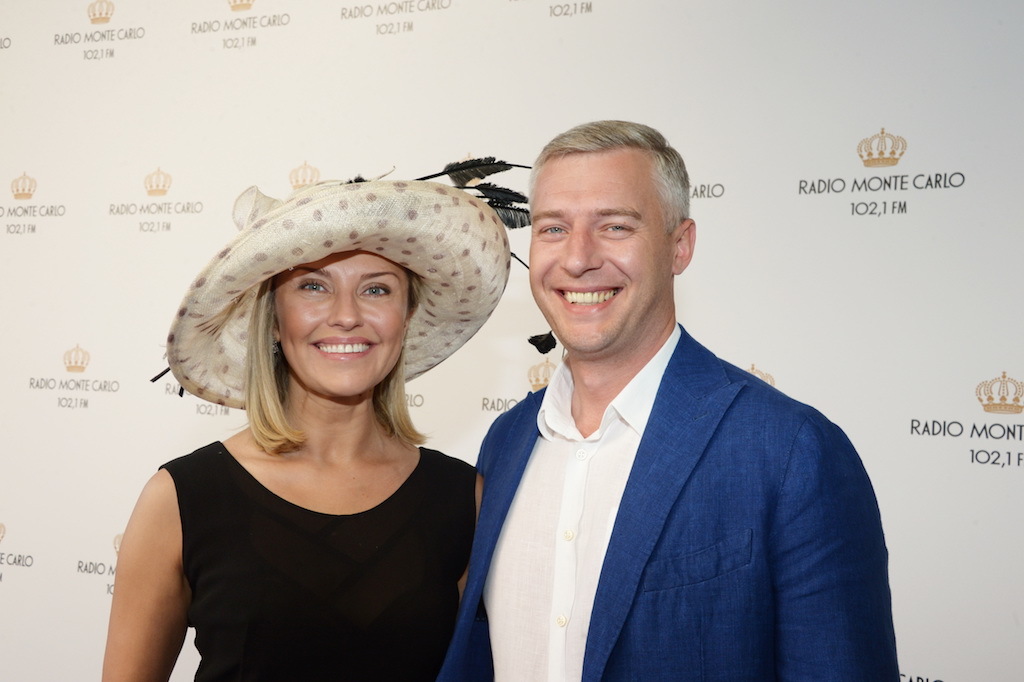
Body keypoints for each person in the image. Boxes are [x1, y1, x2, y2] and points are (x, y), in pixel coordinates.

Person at [438, 121, 899, 681]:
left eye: (615, 226)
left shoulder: (790, 451)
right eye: (553, 228)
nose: (578, 258)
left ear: (679, 247)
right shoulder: (506, 441)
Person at [102, 172, 514, 681]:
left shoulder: (463, 498)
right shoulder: (181, 498)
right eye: (313, 286)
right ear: (274, 319)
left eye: (376, 289)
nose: (346, 316)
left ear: (405, 317)